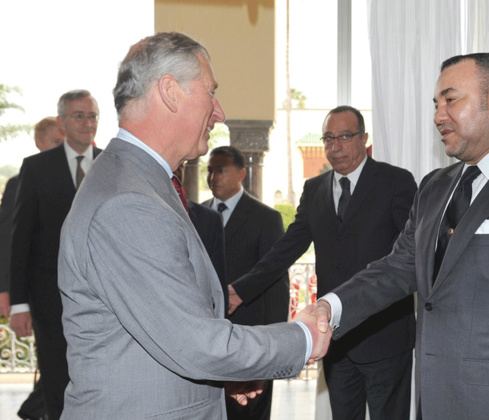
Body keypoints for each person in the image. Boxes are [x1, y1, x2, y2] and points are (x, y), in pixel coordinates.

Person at [311, 53, 489, 419]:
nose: (437, 115)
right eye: (436, 104)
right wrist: (330, 307)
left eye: (451, 100)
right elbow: (399, 266)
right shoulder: (435, 186)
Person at [57, 32, 329, 419]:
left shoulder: (143, 182)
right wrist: (302, 337)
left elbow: (162, 332)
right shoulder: (128, 202)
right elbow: (196, 344)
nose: (218, 112)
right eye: (210, 93)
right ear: (170, 92)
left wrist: (224, 374)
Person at [234, 105, 417, 420]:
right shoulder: (314, 188)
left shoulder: (396, 182)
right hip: (335, 337)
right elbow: (287, 248)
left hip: (386, 337)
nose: (336, 146)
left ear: (364, 138)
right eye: (329, 138)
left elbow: (412, 255)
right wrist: (239, 290)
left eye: (345, 136)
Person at [9, 93, 101, 420]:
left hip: (106, 302)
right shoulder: (36, 169)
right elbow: (21, 240)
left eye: (92, 116)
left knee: (101, 381)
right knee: (57, 381)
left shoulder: (111, 165)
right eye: (79, 116)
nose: (87, 123)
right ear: (61, 122)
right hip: (50, 300)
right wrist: (19, 303)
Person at [201, 145, 289, 420]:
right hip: (206, 337)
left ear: (241, 173)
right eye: (210, 170)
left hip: (251, 339)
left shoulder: (266, 218)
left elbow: (276, 284)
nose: (213, 176)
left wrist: (272, 345)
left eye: (221, 170)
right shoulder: (197, 215)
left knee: (249, 412)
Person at [0, 117, 63, 420]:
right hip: (41, 293)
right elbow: (8, 242)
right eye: (55, 143)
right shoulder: (20, 182)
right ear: (39, 143)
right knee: (53, 364)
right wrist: (8, 292)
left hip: (73, 293)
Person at [173, 162, 228, 310]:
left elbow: (218, 281)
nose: (176, 170)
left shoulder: (209, 218)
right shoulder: (138, 211)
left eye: (180, 164)